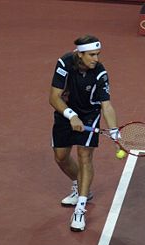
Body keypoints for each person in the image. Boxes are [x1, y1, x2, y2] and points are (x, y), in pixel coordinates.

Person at [49, 35, 119, 232]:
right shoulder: (64, 63)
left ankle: (80, 208)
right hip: (65, 111)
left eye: (97, 54)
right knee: (61, 157)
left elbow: (106, 105)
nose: (96, 59)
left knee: (84, 155)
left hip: (89, 115)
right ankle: (79, 185)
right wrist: (71, 116)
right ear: (79, 54)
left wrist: (114, 130)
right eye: (91, 55)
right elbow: (54, 97)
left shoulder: (100, 72)